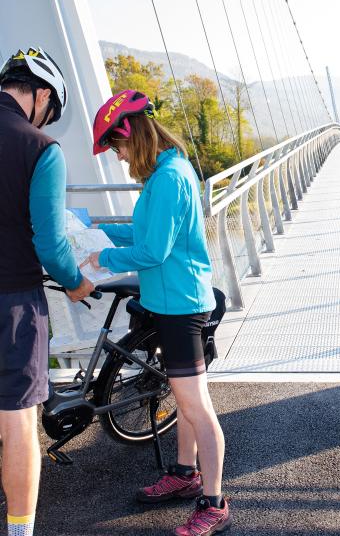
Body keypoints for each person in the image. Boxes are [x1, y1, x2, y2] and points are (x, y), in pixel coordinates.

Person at [83, 90, 230, 536]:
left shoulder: (169, 179)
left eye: (119, 147)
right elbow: (142, 230)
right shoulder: (165, 173)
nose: (121, 158)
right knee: (184, 399)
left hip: (181, 306)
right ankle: (186, 474)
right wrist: (94, 228)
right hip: (169, 302)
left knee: (196, 406)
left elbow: (151, 250)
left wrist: (100, 259)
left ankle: (215, 502)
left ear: (134, 135)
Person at [0, 48, 94, 536]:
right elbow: (51, 243)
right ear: (39, 95)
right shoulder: (40, 149)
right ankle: (19, 531)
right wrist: (76, 283)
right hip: (13, 302)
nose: (49, 120)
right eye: (51, 111)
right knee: (17, 421)